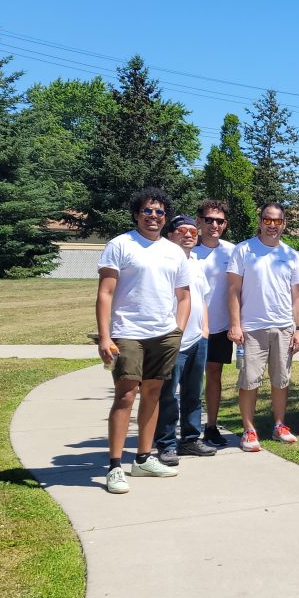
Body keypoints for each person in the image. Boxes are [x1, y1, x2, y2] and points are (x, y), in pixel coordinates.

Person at [96, 187, 190, 494]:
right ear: (137, 214)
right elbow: (105, 292)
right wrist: (105, 336)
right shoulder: (121, 244)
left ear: (165, 217)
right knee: (126, 395)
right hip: (127, 332)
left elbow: (184, 296)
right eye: (147, 211)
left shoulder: (174, 251)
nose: (153, 216)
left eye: (159, 212)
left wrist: (177, 331)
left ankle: (143, 459)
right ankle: (114, 466)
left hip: (164, 334)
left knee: (153, 394)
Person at [227, 202, 299, 452]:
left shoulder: (291, 254)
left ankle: (279, 425)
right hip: (252, 328)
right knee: (249, 380)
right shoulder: (243, 250)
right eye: (267, 220)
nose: (272, 225)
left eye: (277, 221)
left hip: (283, 327)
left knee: (281, 379)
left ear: (284, 224)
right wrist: (235, 324)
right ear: (260, 221)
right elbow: (233, 290)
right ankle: (249, 430)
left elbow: (298, 295)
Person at [155, 215, 216, 466]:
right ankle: (166, 444)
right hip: (173, 339)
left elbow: (202, 298)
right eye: (182, 231)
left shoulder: (196, 262)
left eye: (192, 230)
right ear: (170, 235)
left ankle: (190, 439)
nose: (188, 235)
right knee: (168, 395)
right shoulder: (164, 261)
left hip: (197, 339)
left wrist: (205, 330)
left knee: (193, 393)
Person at [193, 200, 235, 447]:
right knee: (187, 379)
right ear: (199, 221)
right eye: (209, 220)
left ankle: (211, 426)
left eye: (219, 221)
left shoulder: (232, 251)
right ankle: (186, 429)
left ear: (225, 224)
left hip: (220, 326)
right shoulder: (187, 249)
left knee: (214, 375)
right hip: (190, 326)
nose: (214, 225)